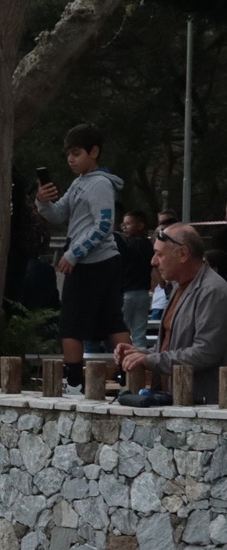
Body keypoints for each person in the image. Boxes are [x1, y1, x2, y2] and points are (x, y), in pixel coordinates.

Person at [35, 123, 129, 389]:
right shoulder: (80, 183)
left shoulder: (99, 184)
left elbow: (104, 225)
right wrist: (42, 200)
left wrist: (74, 254)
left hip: (94, 262)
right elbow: (58, 215)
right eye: (68, 154)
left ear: (94, 152)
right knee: (111, 319)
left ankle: (74, 379)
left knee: (72, 323)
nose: (70, 159)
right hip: (97, 261)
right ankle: (128, 374)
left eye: (76, 153)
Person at [114, 223, 227, 404]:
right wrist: (138, 353)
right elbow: (168, 349)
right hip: (178, 399)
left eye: (160, 254)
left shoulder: (213, 291)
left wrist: (150, 359)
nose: (153, 261)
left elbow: (206, 352)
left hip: (201, 404)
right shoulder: (178, 286)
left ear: (182, 254)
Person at [118, 210, 156, 348]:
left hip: (127, 292)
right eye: (124, 224)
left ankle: (122, 360)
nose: (125, 227)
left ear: (140, 225)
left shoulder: (125, 245)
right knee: (139, 331)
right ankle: (140, 357)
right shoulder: (148, 245)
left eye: (128, 223)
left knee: (121, 329)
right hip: (143, 293)